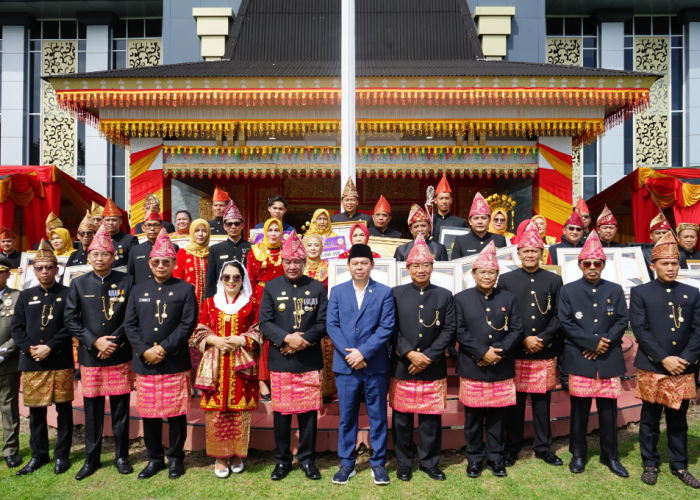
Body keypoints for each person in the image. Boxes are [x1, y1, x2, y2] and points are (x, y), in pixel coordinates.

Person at [124, 229, 197, 480]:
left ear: (175, 263)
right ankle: (154, 459)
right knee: (150, 414)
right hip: (146, 363)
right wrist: (145, 350)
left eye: (167, 261)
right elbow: (130, 325)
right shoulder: (137, 289)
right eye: (156, 262)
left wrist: (163, 348)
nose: (161, 265)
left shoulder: (186, 289)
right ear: (149, 263)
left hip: (174, 360)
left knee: (176, 414)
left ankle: (176, 459)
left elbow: (187, 325)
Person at [630, 231, 700, 488]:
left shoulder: (693, 293)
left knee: (678, 419)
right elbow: (640, 329)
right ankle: (650, 463)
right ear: (653, 265)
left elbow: (698, 330)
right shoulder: (640, 292)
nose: (670, 268)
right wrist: (664, 359)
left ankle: (679, 465)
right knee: (649, 419)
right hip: (653, 366)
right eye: (664, 263)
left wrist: (685, 358)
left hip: (684, 366)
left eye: (674, 264)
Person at [64, 225, 135, 480]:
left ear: (113, 256)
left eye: (105, 254)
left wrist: (112, 342)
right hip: (90, 355)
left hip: (118, 353)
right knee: (92, 411)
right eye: (95, 254)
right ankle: (91, 459)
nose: (99, 258)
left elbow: (131, 316)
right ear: (89, 256)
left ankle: (121, 456)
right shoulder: (78, 283)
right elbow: (71, 319)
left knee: (120, 410)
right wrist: (95, 342)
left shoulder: (127, 280)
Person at [258, 231, 328, 482]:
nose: (292, 266)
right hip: (282, 360)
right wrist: (287, 339)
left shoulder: (317, 287)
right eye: (288, 261)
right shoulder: (271, 287)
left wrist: (302, 341)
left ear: (304, 262)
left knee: (308, 415)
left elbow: (324, 323)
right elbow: (264, 322)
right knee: (283, 414)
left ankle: (308, 460)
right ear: (282, 262)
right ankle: (282, 460)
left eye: (297, 261)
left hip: (308, 360)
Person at [558, 230, 629, 477]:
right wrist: (591, 343)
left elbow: (622, 320)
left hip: (608, 358)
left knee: (609, 412)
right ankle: (578, 455)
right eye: (587, 263)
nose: (591, 267)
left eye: (596, 263)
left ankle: (611, 456)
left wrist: (604, 343)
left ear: (603, 265)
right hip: (580, 357)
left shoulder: (616, 289)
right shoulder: (568, 290)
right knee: (579, 411)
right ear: (579, 264)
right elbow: (565, 322)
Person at [327, 244, 395, 486]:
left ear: (372, 265)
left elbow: (386, 327)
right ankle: (347, 463)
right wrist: (351, 356)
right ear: (348, 265)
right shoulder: (336, 291)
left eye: (364, 263)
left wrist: (363, 353)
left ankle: (378, 464)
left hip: (375, 365)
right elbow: (332, 325)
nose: (359, 267)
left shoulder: (384, 292)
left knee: (378, 416)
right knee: (347, 416)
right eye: (355, 263)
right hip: (346, 367)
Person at [454, 241, 523, 478]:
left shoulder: (509, 298)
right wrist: (482, 352)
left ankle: (496, 458)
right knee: (473, 419)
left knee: (497, 417)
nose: (486, 276)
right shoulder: (461, 298)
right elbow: (459, 331)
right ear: (473, 273)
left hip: (501, 366)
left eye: (491, 272)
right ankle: (474, 459)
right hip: (472, 365)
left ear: (497, 274)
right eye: (481, 272)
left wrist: (498, 351)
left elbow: (516, 330)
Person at [389, 234, 455, 482]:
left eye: (425, 265)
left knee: (430, 420)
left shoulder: (444, 295)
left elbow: (449, 329)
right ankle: (404, 463)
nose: (420, 270)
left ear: (432, 267)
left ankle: (429, 462)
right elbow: (390, 328)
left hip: (432, 365)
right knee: (402, 420)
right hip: (403, 365)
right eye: (415, 265)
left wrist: (427, 356)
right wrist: (409, 353)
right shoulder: (395, 294)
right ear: (407, 268)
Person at [499, 225, 564, 468]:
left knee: (542, 404)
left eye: (534, 251)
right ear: (518, 253)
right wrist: (524, 338)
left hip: (544, 351)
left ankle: (543, 447)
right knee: (514, 405)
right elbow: (503, 316)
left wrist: (544, 338)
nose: (529, 255)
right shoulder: (505, 280)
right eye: (525, 251)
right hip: (516, 351)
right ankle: (512, 448)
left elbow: (560, 315)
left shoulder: (554, 280)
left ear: (541, 253)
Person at [190, 260, 262, 478]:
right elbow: (198, 331)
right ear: (221, 279)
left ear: (243, 280)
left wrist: (242, 339)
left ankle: (236, 454)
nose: (231, 281)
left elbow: (259, 329)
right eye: (227, 277)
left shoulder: (251, 304)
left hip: (241, 366)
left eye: (236, 277)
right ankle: (220, 456)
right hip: (215, 366)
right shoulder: (209, 303)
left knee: (239, 412)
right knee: (217, 413)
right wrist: (214, 340)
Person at [11, 240, 73, 476]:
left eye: (49, 267)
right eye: (39, 268)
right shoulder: (25, 296)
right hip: (32, 361)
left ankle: (62, 455)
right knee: (36, 412)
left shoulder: (68, 293)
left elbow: (71, 326)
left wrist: (50, 346)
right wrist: (30, 349)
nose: (44, 271)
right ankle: (39, 455)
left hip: (59, 359)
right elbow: (16, 328)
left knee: (64, 411)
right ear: (33, 270)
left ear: (57, 269)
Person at [247, 219, 285, 401]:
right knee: (262, 339)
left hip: (283, 298)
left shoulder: (286, 250)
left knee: (279, 338)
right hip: (261, 298)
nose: (273, 233)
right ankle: (262, 380)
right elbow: (250, 281)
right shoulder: (256, 250)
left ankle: (277, 378)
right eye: (270, 230)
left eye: (277, 230)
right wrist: (254, 303)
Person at [173, 219, 210, 383]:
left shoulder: (212, 253)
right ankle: (189, 380)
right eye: (197, 231)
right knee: (188, 343)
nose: (200, 234)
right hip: (188, 305)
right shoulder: (182, 253)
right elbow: (177, 280)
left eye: (204, 231)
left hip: (208, 306)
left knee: (206, 341)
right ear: (192, 233)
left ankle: (205, 379)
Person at [302, 234, 334, 398]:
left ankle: (327, 389)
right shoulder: (299, 267)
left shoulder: (330, 266)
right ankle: (309, 389)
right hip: (304, 316)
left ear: (322, 247)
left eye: (316, 245)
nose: (313, 248)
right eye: (309, 245)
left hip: (325, 314)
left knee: (326, 350)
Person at [0, 255, 21, 469]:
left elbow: (20, 331)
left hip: (6, 362)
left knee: (8, 407)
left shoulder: (17, 297)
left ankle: (10, 450)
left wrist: (3, 352)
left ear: (7, 274)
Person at [206, 201, 252, 298]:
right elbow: (211, 279)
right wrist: (209, 303)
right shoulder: (215, 249)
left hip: (246, 295)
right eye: (229, 224)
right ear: (224, 226)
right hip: (221, 297)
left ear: (242, 226)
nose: (233, 227)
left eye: (237, 223)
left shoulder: (252, 248)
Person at [451, 192, 508, 260]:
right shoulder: (461, 241)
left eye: (484, 218)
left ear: (489, 220)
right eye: (476, 218)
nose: (480, 222)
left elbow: (505, 263)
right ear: (470, 221)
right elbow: (456, 265)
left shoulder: (500, 240)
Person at [127, 212, 180, 284]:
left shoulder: (173, 247)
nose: (152, 228)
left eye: (156, 225)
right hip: (141, 292)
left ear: (162, 227)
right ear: (143, 228)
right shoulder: (135, 250)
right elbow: (130, 275)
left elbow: (177, 272)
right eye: (148, 225)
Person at [642, 214, 688, 278]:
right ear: (651, 236)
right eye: (658, 233)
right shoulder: (643, 253)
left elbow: (685, 276)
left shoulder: (681, 254)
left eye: (664, 233)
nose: (661, 235)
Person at [102, 197, 138, 268]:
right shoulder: (99, 240)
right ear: (103, 222)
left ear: (120, 221)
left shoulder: (130, 240)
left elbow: (134, 264)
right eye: (107, 220)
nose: (111, 223)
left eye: (114, 220)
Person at [432, 175, 467, 242]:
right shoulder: (429, 222)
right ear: (435, 201)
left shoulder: (460, 222)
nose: (444, 201)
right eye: (441, 198)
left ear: (451, 200)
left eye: (447, 198)